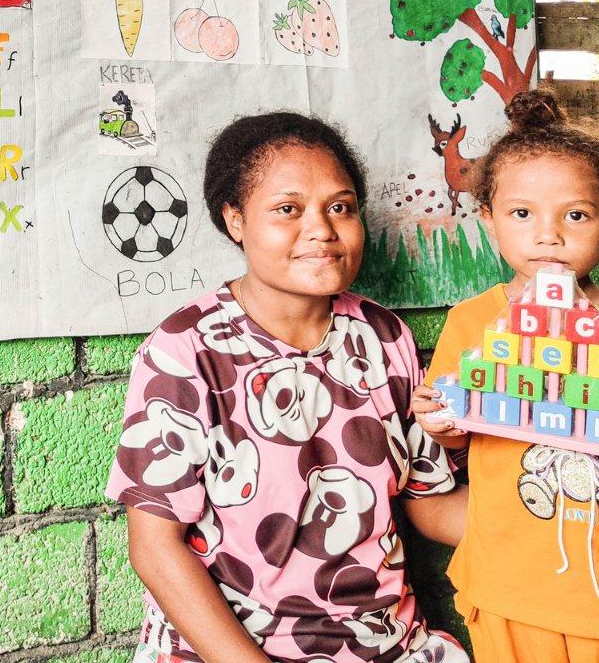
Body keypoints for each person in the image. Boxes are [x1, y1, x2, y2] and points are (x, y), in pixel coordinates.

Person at [106, 111, 472, 663]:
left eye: (340, 208)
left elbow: (429, 504)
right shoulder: (186, 350)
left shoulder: (385, 337)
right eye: (287, 209)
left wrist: (572, 500)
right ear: (235, 220)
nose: (322, 229)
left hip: (385, 646)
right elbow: (155, 549)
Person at [414, 89, 599, 663]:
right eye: (522, 214)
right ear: (489, 221)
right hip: (510, 592)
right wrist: (439, 418)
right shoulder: (471, 322)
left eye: (575, 215)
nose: (548, 235)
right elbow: (453, 433)